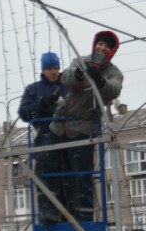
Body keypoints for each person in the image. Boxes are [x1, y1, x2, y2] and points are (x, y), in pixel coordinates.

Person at [53, 30, 124, 220]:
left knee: (81, 176)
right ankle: (59, 214)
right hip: (60, 126)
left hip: (84, 129)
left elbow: (113, 90)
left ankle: (83, 217)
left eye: (106, 46)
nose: (101, 47)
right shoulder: (80, 62)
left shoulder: (113, 73)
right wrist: (80, 74)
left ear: (111, 50)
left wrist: (99, 81)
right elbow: (66, 79)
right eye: (99, 44)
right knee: (57, 173)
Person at [17, 52, 70, 224]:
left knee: (70, 176)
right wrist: (43, 103)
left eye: (56, 68)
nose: (53, 72)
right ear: (43, 70)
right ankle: (49, 211)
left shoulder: (69, 86)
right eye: (49, 69)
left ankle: (71, 212)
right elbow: (24, 113)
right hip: (46, 138)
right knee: (46, 174)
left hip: (70, 137)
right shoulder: (34, 90)